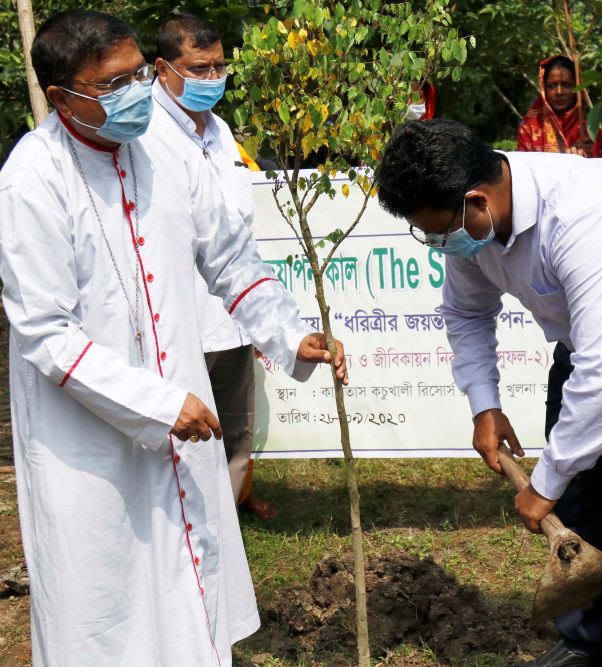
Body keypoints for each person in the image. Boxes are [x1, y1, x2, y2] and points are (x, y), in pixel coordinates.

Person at [0, 10, 347, 666]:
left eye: (137, 75)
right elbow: (47, 335)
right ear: (60, 96)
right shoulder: (31, 181)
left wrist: (289, 332)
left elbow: (231, 258)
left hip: (181, 429)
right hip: (90, 447)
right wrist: (158, 403)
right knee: (107, 610)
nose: (135, 93)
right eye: (112, 84)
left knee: (190, 601)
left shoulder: (165, 151)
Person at [377, 118, 602, 667]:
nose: (441, 245)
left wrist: (545, 482)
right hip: (588, 340)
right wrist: (484, 404)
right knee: (583, 498)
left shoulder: (582, 211)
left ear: (477, 199)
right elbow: (467, 315)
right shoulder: (473, 229)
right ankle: (585, 645)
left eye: (441, 231)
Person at [151, 13, 276, 521]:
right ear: (163, 69)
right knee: (182, 432)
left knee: (236, 428)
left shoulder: (222, 131)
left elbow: (236, 226)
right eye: (198, 68)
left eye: (220, 67)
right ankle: (185, 523)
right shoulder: (147, 134)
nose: (212, 78)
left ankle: (229, 515)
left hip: (233, 312)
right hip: (179, 319)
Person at [516, 54, 602, 158]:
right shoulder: (528, 129)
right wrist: (571, 156)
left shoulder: (591, 132)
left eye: (566, 85)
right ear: (544, 89)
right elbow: (524, 170)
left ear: (578, 88)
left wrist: (587, 158)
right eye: (552, 85)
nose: (559, 92)